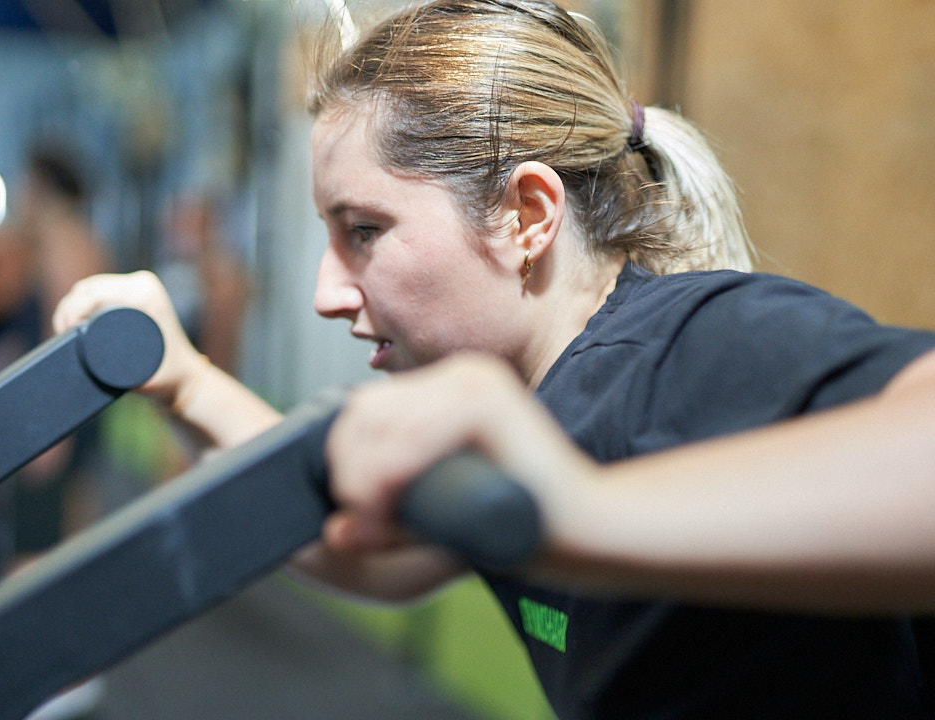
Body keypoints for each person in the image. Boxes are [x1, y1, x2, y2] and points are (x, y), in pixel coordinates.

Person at [53, 1, 935, 717]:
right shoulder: (527, 398)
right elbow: (372, 554)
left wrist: (576, 512)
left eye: (365, 230)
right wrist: (187, 381)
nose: (329, 290)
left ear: (525, 216)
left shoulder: (686, 341)